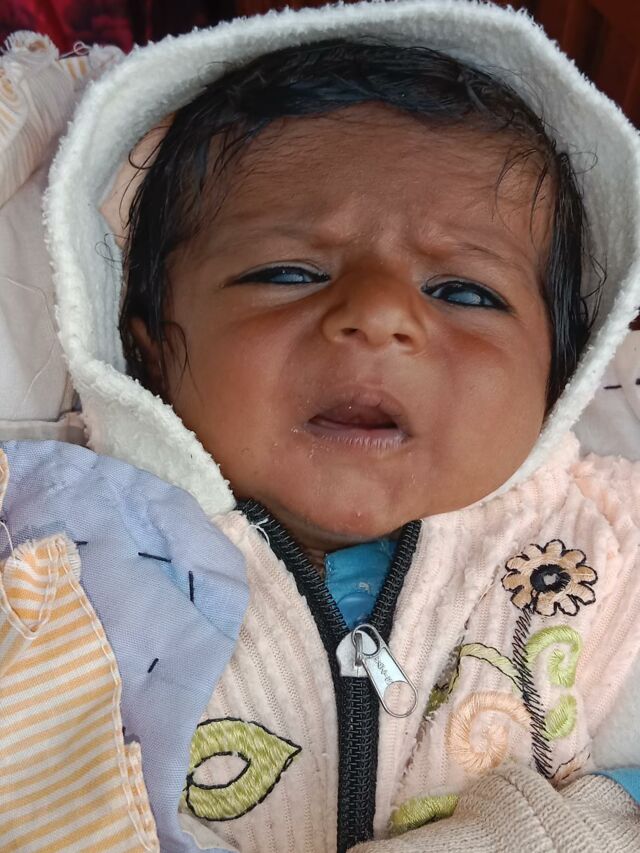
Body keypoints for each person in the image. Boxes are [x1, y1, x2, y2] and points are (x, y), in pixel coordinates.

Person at [39, 0, 640, 850]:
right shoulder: (56, 551)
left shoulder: (612, 546)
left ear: (563, 372)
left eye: (464, 291)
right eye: (288, 273)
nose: (379, 314)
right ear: (151, 351)